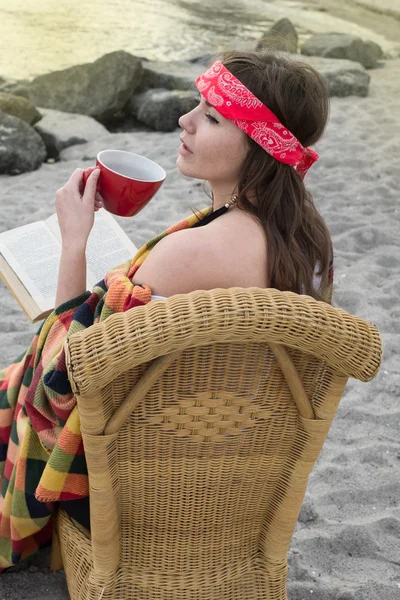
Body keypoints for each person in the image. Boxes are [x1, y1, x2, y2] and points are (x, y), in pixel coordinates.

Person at [0, 49, 333, 570]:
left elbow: (61, 383)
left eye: (212, 116)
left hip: (127, 483)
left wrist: (73, 242)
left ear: (261, 145)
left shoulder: (190, 252)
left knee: (14, 386)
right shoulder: (309, 245)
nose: (185, 119)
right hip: (224, 478)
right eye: (196, 105)